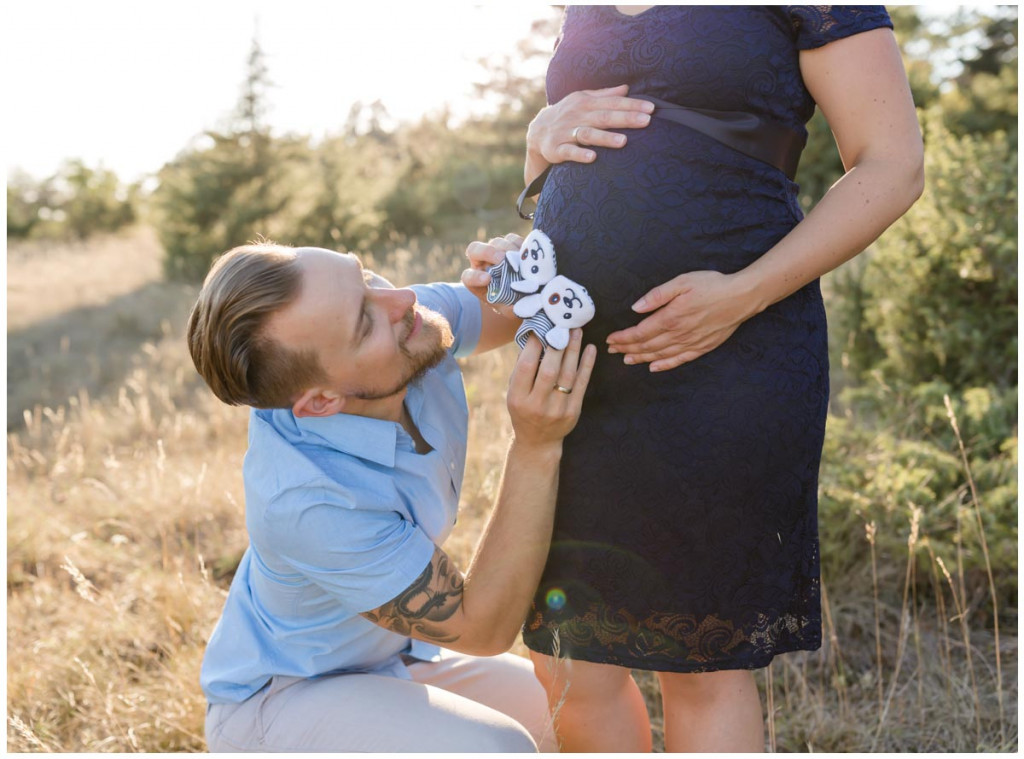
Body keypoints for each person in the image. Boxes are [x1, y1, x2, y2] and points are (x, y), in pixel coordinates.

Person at [463, 5, 924, 752]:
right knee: (567, 656)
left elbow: (893, 165)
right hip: (574, 367)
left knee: (703, 661)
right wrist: (536, 146)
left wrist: (743, 293)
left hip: (730, 351)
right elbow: (591, 166)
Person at [186, 239, 596, 752]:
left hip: (391, 658)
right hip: (284, 698)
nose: (402, 299)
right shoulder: (305, 503)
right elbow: (483, 627)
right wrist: (536, 447)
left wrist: (524, 272)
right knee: (496, 748)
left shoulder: (405, 323)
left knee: (572, 706)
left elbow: (512, 313)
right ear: (322, 400)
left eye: (364, 277)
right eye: (364, 321)